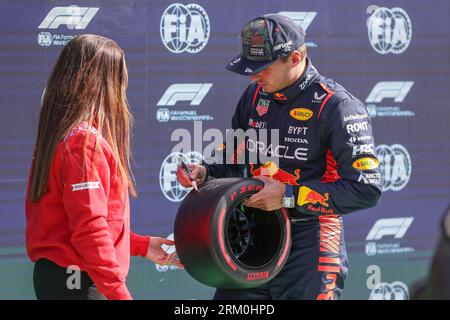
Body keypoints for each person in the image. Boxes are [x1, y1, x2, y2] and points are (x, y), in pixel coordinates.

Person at [177, 14, 382, 300]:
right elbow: (234, 158)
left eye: (263, 67)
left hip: (311, 243)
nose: (253, 75)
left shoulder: (337, 106)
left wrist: (288, 196)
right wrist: (206, 172)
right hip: (253, 237)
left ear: (295, 58)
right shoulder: (253, 97)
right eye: (250, 66)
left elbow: (366, 189)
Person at [26, 34, 182, 300]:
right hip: (79, 282)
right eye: (120, 80)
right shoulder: (83, 141)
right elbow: (89, 228)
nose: (122, 90)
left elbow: (79, 222)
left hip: (67, 280)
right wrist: (119, 294)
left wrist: (140, 245)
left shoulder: (64, 135)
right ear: (103, 83)